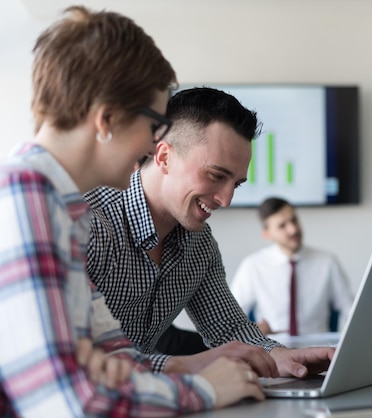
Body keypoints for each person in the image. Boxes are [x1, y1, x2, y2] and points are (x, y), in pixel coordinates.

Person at [0, 6, 264, 417]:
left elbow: (115, 357)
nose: (155, 144)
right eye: (155, 125)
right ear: (106, 119)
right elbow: (67, 402)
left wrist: (179, 366)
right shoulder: (25, 194)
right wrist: (205, 389)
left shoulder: (63, 210)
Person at [85, 86, 334, 378]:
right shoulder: (88, 224)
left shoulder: (199, 245)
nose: (226, 200)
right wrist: (189, 366)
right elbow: (74, 360)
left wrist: (285, 357)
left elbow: (230, 329)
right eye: (216, 176)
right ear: (164, 157)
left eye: (236, 184)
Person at [230, 197, 355, 335]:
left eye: (294, 220)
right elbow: (231, 318)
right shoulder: (253, 266)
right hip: (274, 349)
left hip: (317, 348)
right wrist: (254, 330)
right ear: (267, 234)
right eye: (282, 226)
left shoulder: (327, 261)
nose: (293, 229)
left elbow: (350, 310)